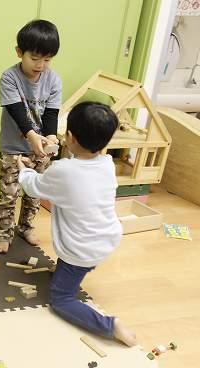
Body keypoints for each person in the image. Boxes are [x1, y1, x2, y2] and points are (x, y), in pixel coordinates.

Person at [17, 101, 136, 346]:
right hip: (106, 237)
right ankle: (71, 270)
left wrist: (24, 171)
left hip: (83, 248)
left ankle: (110, 325)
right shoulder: (106, 164)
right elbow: (76, 175)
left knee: (61, 299)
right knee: (75, 253)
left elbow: (34, 186)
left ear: (69, 137)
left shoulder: (63, 171)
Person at [0, 19, 62, 254]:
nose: (41, 65)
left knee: (35, 193)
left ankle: (26, 227)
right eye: (35, 58)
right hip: (13, 148)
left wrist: (50, 137)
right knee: (9, 194)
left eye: (47, 59)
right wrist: (32, 136)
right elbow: (16, 112)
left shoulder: (53, 80)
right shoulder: (9, 77)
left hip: (40, 150)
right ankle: (4, 233)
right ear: (19, 52)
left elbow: (51, 113)